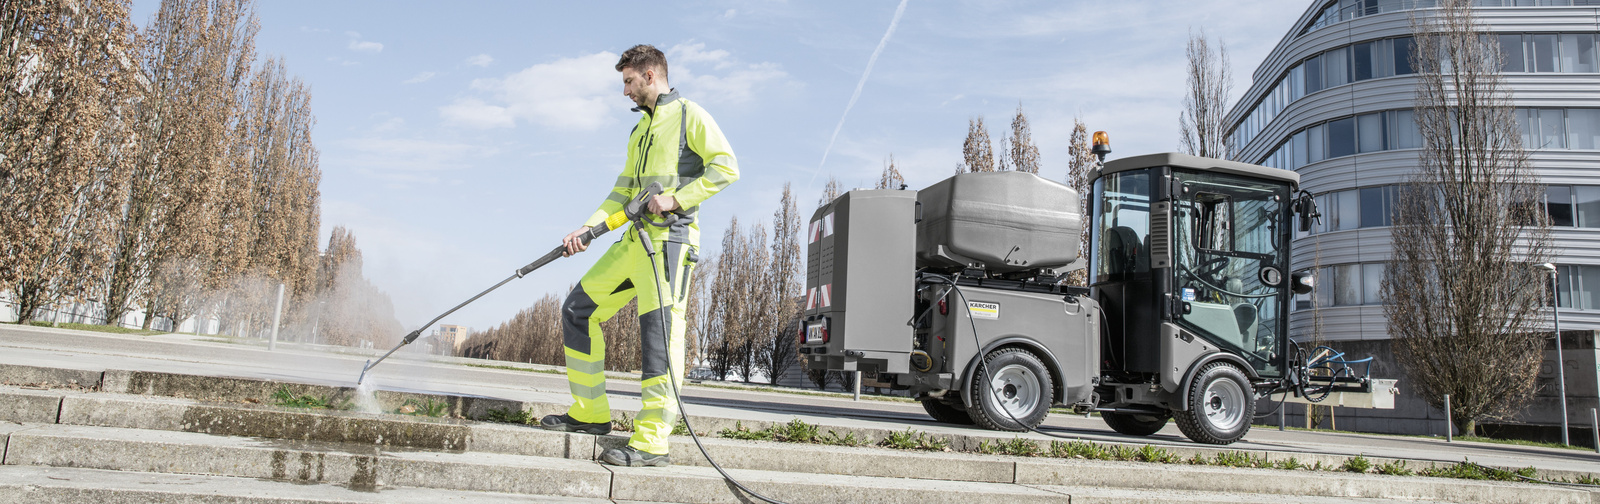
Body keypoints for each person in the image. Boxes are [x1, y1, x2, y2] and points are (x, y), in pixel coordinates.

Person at [538, 44, 738, 468]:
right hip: (633, 243)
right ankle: (590, 415)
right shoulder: (639, 131)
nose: (625, 91)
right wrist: (588, 230)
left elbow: (726, 167)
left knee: (658, 336)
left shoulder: (689, 115)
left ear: (650, 75)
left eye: (628, 81)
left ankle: (651, 443)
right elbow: (621, 192)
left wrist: (676, 199)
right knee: (577, 310)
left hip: (670, 244)